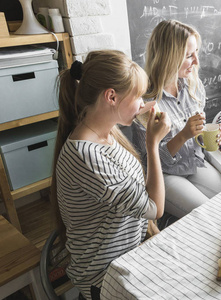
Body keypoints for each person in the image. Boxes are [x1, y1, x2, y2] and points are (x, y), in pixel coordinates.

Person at [51, 50, 171, 300]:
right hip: (104, 278)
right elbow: (154, 207)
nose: (142, 102)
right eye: (137, 95)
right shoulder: (85, 156)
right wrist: (153, 145)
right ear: (111, 97)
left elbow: (134, 192)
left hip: (133, 253)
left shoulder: (107, 133)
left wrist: (139, 112)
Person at [140, 19, 221, 219]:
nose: (197, 61)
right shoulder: (145, 101)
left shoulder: (193, 87)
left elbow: (197, 138)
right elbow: (148, 160)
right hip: (166, 176)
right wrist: (183, 135)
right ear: (169, 57)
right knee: (209, 216)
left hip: (194, 164)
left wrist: (207, 136)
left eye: (196, 52)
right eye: (189, 55)